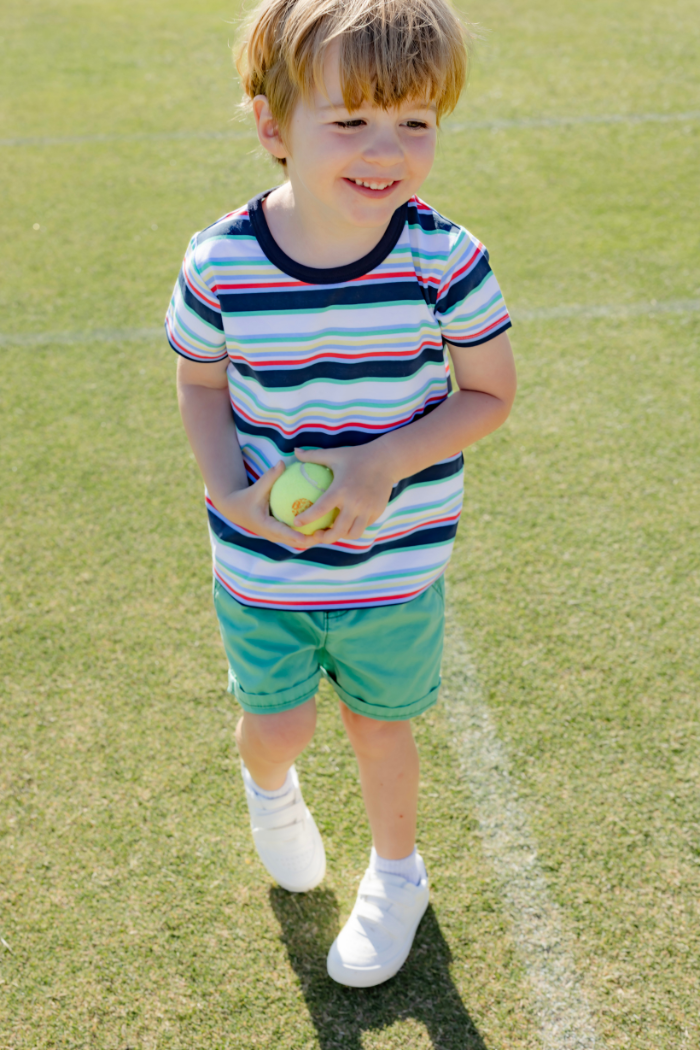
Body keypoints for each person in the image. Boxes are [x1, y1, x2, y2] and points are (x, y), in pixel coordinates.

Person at [165, 0, 516, 988]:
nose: (387, 151)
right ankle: (269, 791)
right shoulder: (221, 264)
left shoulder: (443, 257)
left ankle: (396, 876)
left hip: (395, 560)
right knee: (279, 723)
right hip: (261, 561)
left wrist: (383, 461)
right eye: (351, 121)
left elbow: (488, 392)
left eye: (415, 122)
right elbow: (199, 384)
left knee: (378, 722)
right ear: (273, 127)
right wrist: (228, 487)